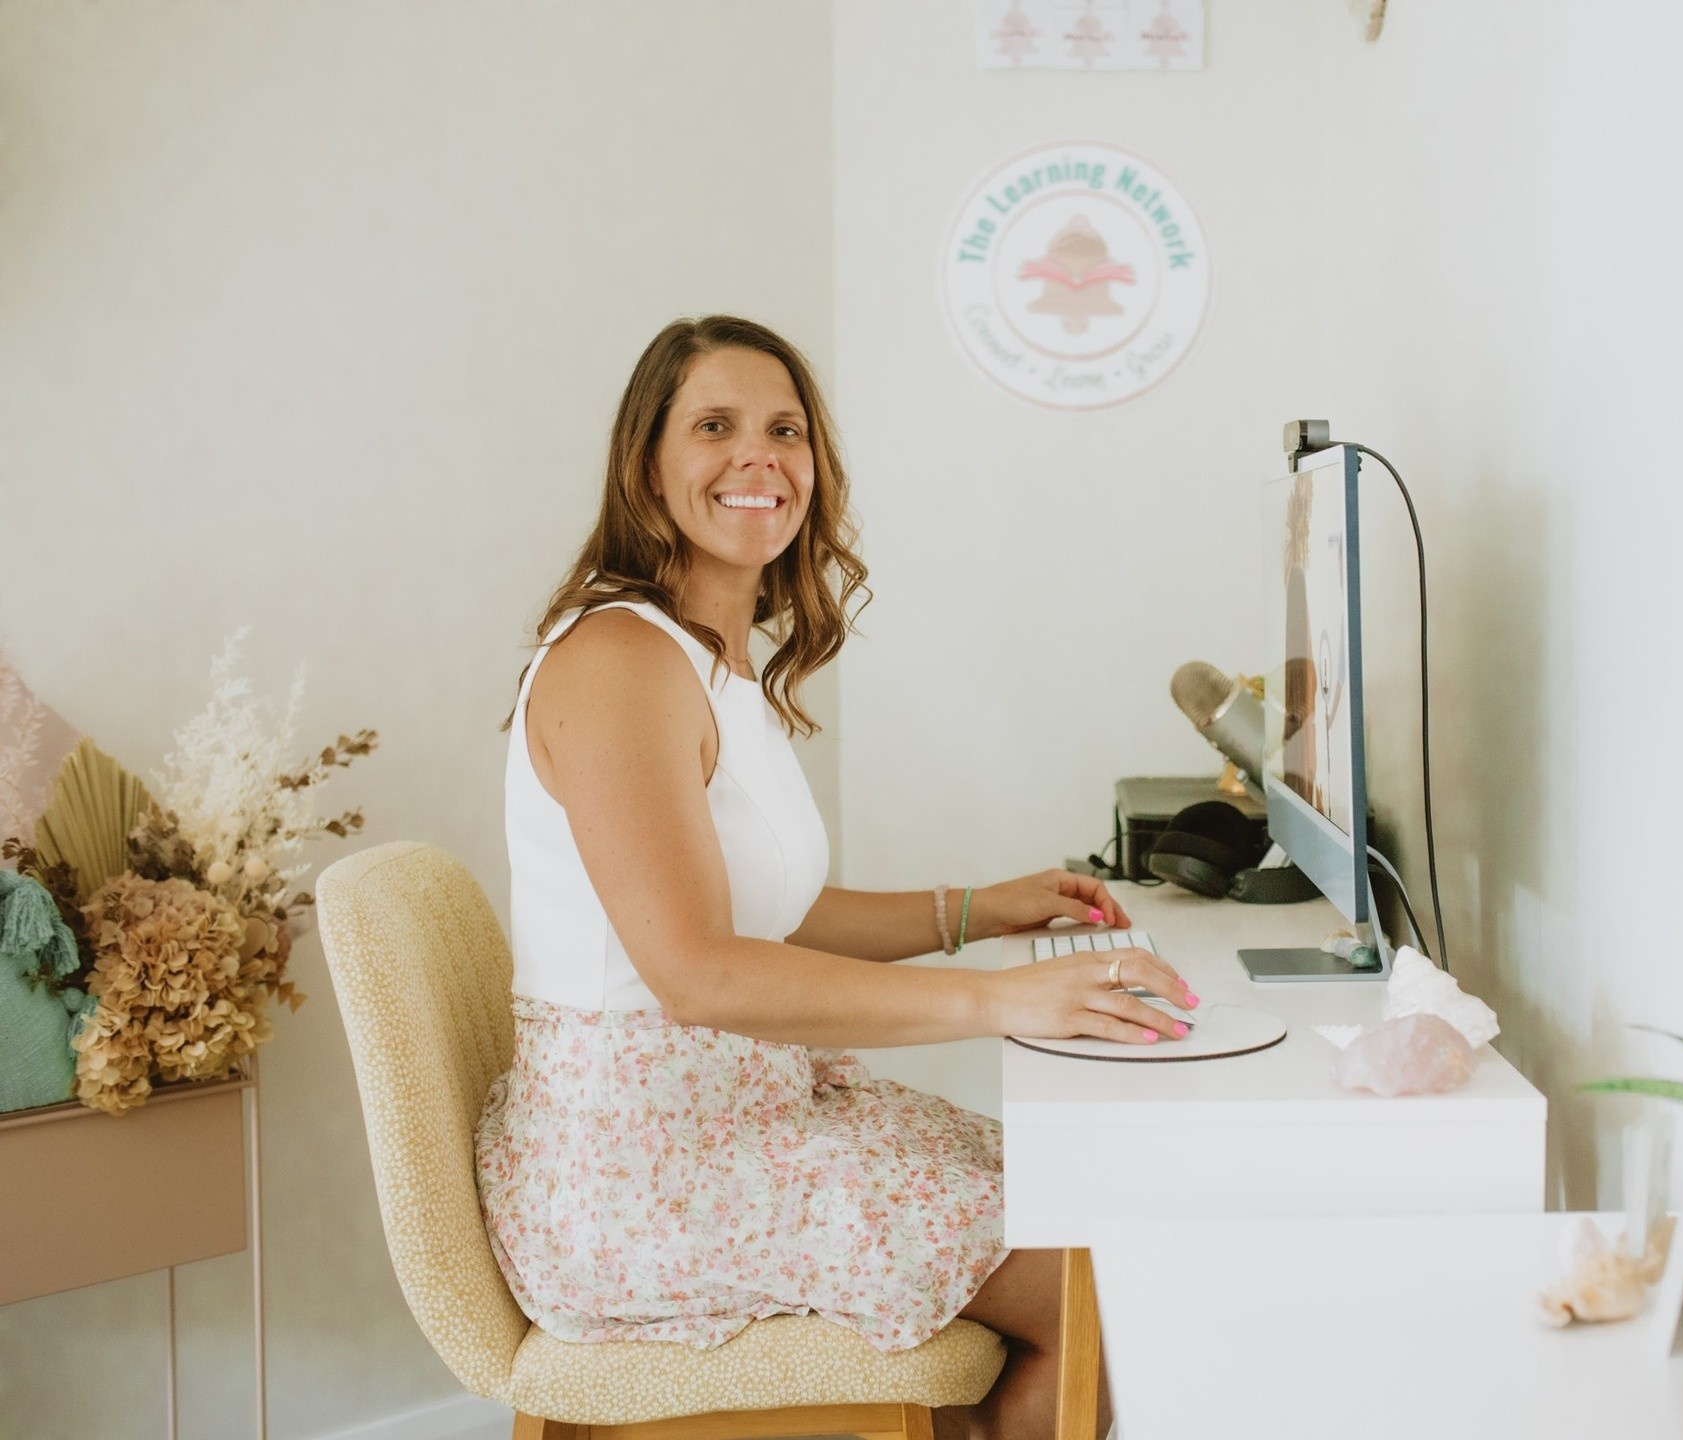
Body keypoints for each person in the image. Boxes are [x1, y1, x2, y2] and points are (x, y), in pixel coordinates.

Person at [475, 315, 1195, 1440]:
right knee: (1102, 1277)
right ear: (646, 465)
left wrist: (975, 911)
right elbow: (700, 975)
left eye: (786, 431)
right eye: (715, 426)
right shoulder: (616, 662)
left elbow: (781, 916)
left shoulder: (714, 661)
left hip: (745, 1121)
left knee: (1095, 1198)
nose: (759, 458)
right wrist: (1006, 999)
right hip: (647, 1179)